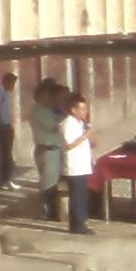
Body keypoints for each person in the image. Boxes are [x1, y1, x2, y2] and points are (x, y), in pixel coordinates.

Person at [30, 79, 67, 220]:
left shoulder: (49, 109)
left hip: (54, 149)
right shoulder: (40, 110)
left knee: (53, 182)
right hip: (47, 150)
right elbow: (54, 127)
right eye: (48, 94)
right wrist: (67, 118)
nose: (50, 97)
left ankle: (52, 210)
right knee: (48, 184)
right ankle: (48, 211)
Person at [58, 92, 95, 234]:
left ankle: (79, 224)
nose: (84, 112)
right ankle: (79, 225)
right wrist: (85, 135)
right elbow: (69, 144)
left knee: (82, 195)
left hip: (82, 164)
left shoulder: (80, 123)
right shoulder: (67, 124)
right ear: (73, 110)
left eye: (85, 109)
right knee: (77, 196)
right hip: (74, 166)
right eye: (81, 109)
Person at [0, 72, 21, 189]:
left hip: (8, 126)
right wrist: (1, 125)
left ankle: (7, 179)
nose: (13, 86)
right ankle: (4, 180)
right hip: (2, 127)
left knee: (8, 154)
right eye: (12, 83)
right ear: (6, 82)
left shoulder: (7, 93)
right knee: (6, 155)